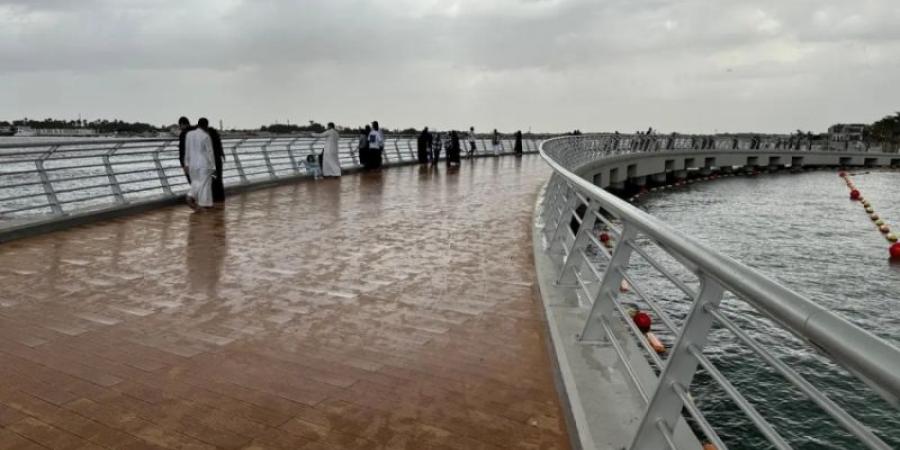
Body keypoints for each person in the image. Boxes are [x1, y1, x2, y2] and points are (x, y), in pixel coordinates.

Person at [184, 118, 215, 210]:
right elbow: (210, 153)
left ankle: (192, 197)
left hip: (192, 164)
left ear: (198, 124)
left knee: (196, 182)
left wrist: (186, 163)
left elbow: (187, 149)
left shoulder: (189, 134)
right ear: (206, 126)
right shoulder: (206, 136)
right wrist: (213, 167)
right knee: (205, 184)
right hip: (203, 163)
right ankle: (203, 203)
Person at [207, 125, 226, 202]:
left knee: (213, 178)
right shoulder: (217, 139)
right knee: (219, 179)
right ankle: (221, 197)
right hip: (218, 161)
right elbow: (220, 149)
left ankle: (214, 197)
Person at [177, 116, 194, 183]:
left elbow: (182, 150)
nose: (180, 127)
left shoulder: (183, 134)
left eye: (180, 125)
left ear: (183, 124)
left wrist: (183, 164)